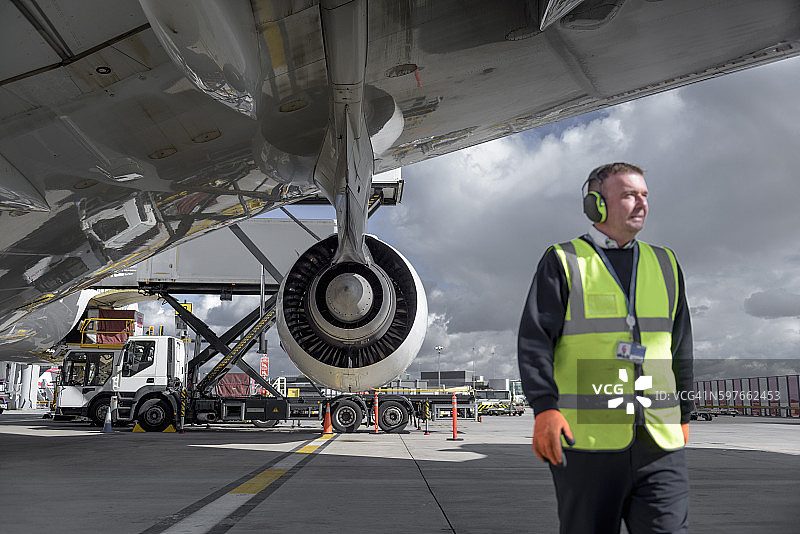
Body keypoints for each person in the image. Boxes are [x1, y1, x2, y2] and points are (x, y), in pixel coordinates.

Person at [517, 163, 693, 534]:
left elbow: (680, 348)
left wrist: (685, 413)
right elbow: (535, 341)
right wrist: (545, 409)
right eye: (629, 195)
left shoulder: (666, 264)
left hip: (659, 439)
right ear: (596, 205)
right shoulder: (563, 261)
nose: (641, 203)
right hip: (587, 442)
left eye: (644, 195)